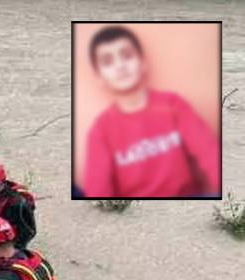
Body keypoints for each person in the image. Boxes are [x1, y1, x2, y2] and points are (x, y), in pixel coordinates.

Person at [83, 25, 220, 198]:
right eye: (108, 61)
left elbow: (211, 154)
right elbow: (98, 193)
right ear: (99, 77)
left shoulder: (172, 104)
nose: (120, 66)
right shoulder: (100, 131)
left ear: (143, 63)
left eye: (126, 56)